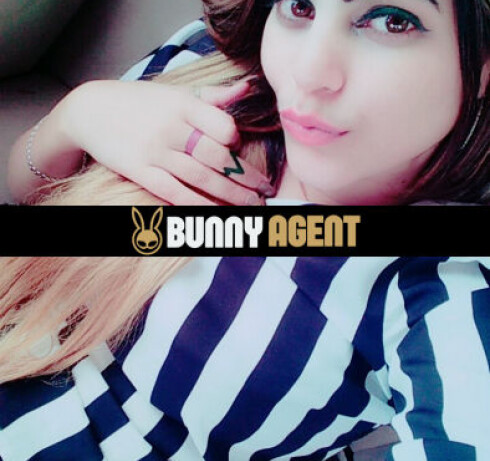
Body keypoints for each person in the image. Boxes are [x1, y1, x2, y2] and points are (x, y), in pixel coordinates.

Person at [1, 0, 489, 460]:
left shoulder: (435, 289)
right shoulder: (209, 64)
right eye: (299, 5)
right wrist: (79, 114)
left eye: (392, 20)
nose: (307, 72)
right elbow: (29, 192)